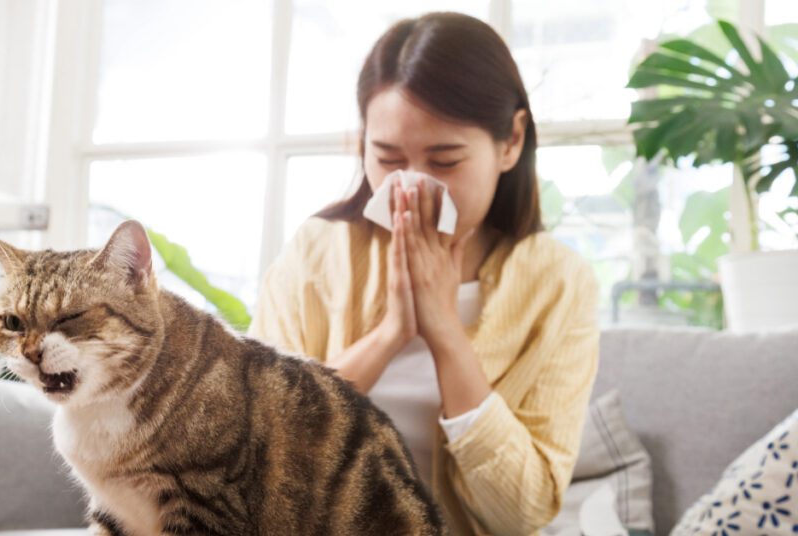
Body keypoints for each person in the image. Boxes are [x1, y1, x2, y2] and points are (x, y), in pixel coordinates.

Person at [247, 11, 601, 535]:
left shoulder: (558, 282)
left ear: (511, 142)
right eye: (388, 159)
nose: (411, 190)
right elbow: (255, 462)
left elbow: (522, 514)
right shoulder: (316, 255)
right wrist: (390, 334)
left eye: (445, 161)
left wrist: (445, 332)